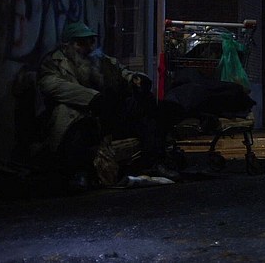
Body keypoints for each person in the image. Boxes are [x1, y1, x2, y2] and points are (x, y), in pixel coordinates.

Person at [37, 21, 178, 191]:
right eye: (82, 43)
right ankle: (79, 173)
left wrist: (135, 80)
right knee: (71, 117)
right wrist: (93, 98)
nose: (88, 47)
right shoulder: (54, 63)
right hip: (80, 116)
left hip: (105, 114)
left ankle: (154, 161)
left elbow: (121, 71)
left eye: (91, 42)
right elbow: (52, 85)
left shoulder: (99, 59)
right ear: (68, 45)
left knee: (145, 105)